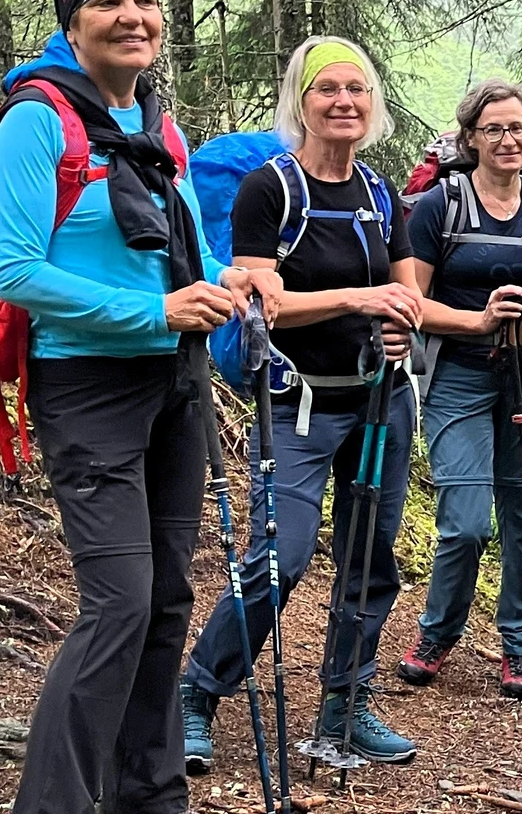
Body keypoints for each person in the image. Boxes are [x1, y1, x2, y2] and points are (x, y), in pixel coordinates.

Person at [0, 0, 268, 814]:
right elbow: (15, 272)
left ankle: (141, 796)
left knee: (166, 595)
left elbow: (175, 251)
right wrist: (155, 314)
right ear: (72, 20)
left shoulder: (156, 125)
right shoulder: (34, 125)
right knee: (117, 604)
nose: (132, 16)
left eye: (143, 1)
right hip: (90, 387)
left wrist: (221, 282)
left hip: (172, 383)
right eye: (108, 2)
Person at [180, 40, 423, 771]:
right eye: (328, 89)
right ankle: (197, 693)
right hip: (296, 405)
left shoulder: (384, 198)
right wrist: (359, 297)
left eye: (358, 89)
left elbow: (407, 293)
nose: (344, 101)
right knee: (279, 559)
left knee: (368, 557)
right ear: (302, 101)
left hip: (379, 403)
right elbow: (264, 304)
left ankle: (346, 708)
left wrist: (399, 323)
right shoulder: (269, 190)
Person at [397, 79, 522, 699]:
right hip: (458, 376)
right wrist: (478, 321)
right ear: (470, 139)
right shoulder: (442, 207)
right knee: (465, 524)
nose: (509, 139)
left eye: (517, 128)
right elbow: (411, 304)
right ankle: (439, 632)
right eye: (494, 130)